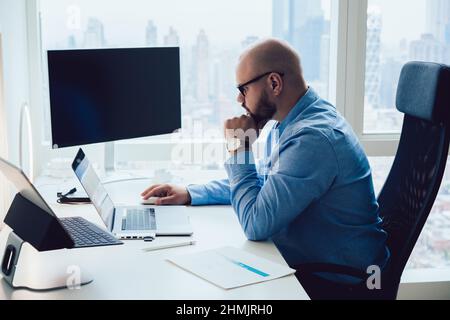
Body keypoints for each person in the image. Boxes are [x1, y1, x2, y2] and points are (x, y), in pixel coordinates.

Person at [141, 39, 390, 285]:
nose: (239, 100)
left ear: (274, 83)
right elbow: (265, 182)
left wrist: (240, 147)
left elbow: (255, 224)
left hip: (339, 280)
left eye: (243, 89)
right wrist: (190, 193)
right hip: (313, 261)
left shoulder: (313, 139)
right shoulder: (292, 121)